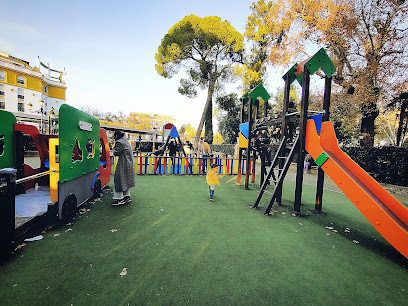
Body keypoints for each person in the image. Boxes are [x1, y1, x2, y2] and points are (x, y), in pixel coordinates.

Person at [112, 130, 135, 206]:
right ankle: (126, 196)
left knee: (119, 179)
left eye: (114, 136)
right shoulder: (126, 141)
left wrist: (113, 147)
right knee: (126, 179)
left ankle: (119, 199)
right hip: (129, 163)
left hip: (123, 163)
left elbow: (115, 152)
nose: (113, 138)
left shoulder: (119, 142)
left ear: (116, 136)